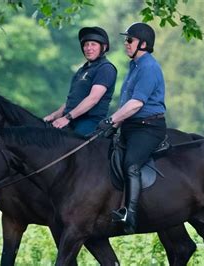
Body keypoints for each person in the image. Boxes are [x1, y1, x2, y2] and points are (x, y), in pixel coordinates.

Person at [98, 22, 167, 234]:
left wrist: (111, 120)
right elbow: (125, 104)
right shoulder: (134, 65)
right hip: (131, 125)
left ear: (143, 44)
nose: (126, 44)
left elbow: (137, 103)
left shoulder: (148, 67)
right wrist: (115, 124)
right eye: (126, 40)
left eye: (130, 40)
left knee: (131, 164)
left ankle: (130, 214)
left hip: (149, 128)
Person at [44, 26, 117, 137]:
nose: (88, 48)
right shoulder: (82, 70)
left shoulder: (105, 68)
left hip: (89, 122)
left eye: (93, 44)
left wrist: (67, 118)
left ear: (103, 47)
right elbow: (72, 101)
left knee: (68, 148)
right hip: (72, 119)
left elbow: (93, 99)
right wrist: (54, 115)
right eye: (86, 44)